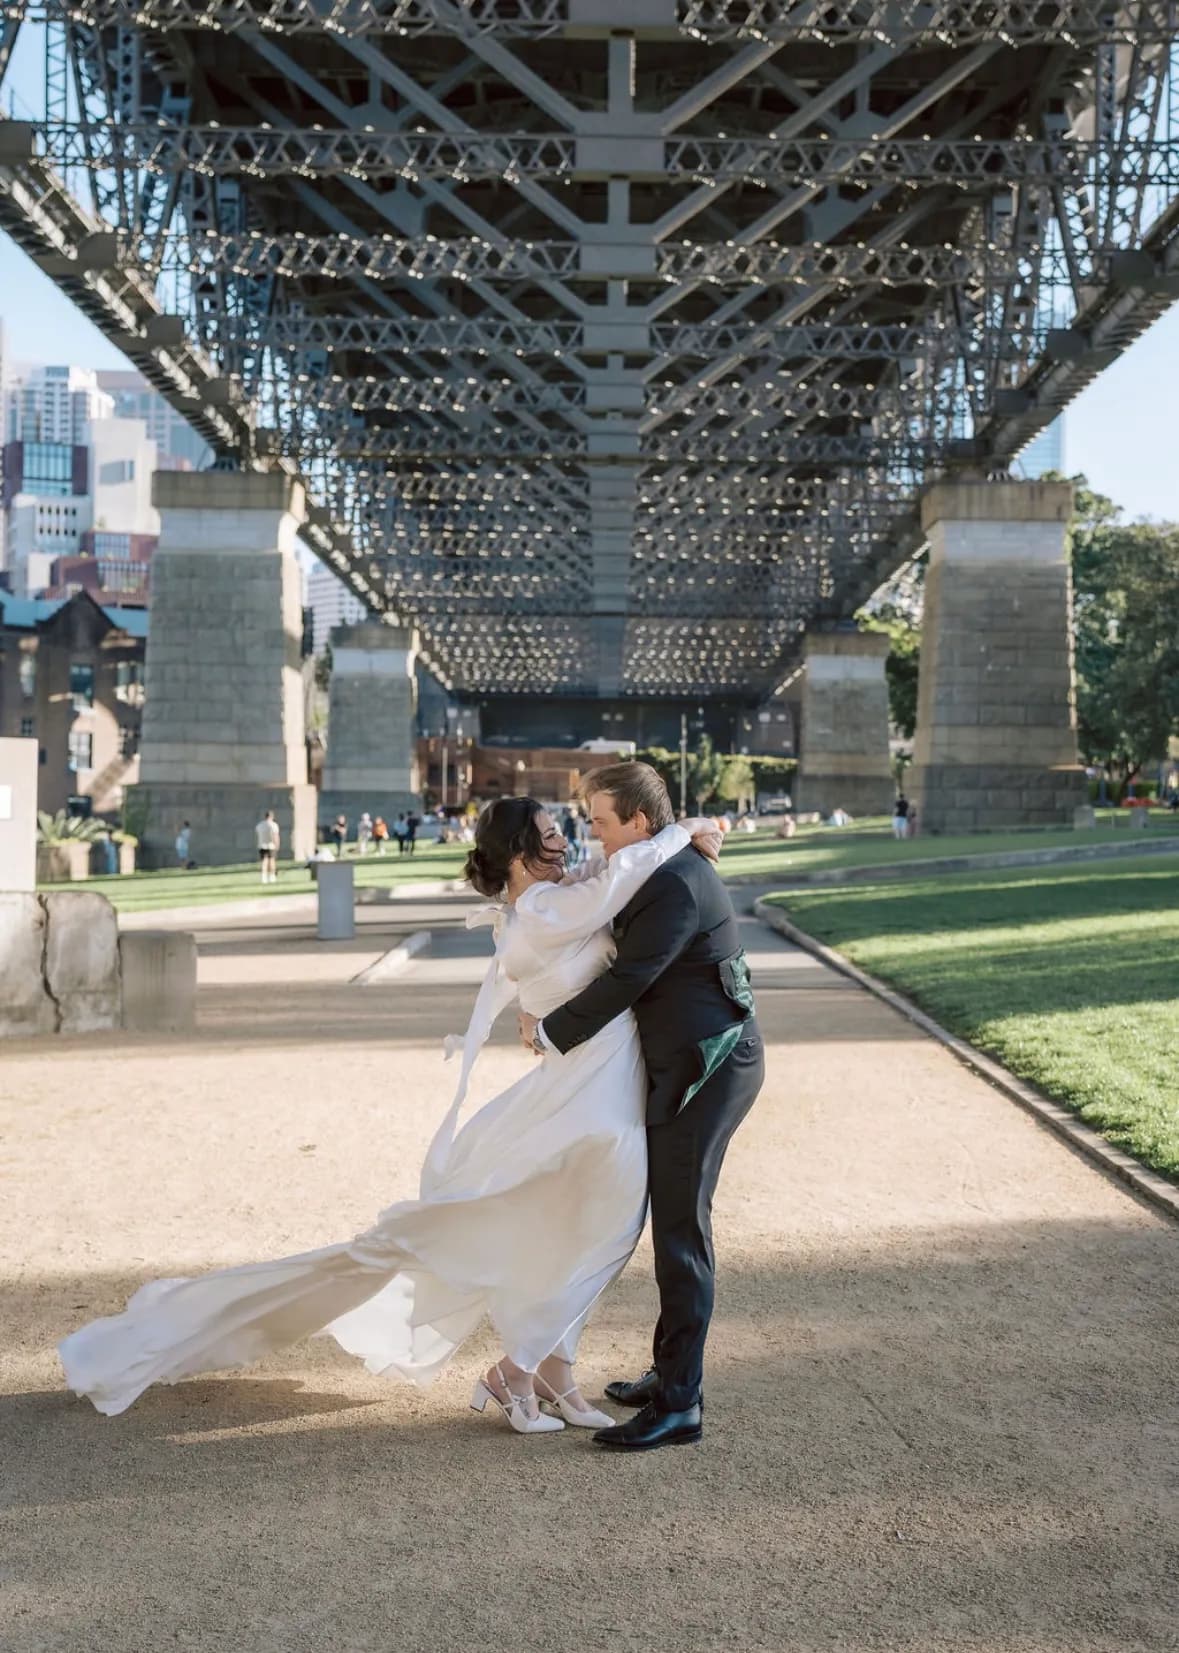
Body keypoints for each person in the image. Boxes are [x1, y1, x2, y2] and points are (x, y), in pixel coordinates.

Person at [57, 797, 722, 1431]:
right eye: (549, 831)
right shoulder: (546, 910)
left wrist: (673, 842)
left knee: (578, 1230)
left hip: (590, 1087)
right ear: (521, 850)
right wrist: (677, 830)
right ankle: (517, 1369)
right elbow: (616, 880)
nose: (564, 839)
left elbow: (605, 878)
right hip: (587, 1097)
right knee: (601, 1231)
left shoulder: (543, 902)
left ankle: (549, 1374)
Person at [519, 761, 764, 1454]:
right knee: (672, 1226)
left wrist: (549, 1029)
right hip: (686, 1061)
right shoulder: (653, 866)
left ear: (636, 820)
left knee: (682, 1231)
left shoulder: (676, 881)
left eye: (599, 820)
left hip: (708, 1065)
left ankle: (681, 1401)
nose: (590, 834)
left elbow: (630, 976)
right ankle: (669, 1373)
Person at [255, 809, 280, 884]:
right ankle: (272, 877)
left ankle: (264, 877)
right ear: (271, 816)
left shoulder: (259, 825)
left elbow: (257, 835)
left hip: (262, 845)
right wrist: (277, 844)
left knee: (264, 862)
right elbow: (275, 836)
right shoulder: (273, 825)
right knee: (272, 861)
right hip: (271, 845)